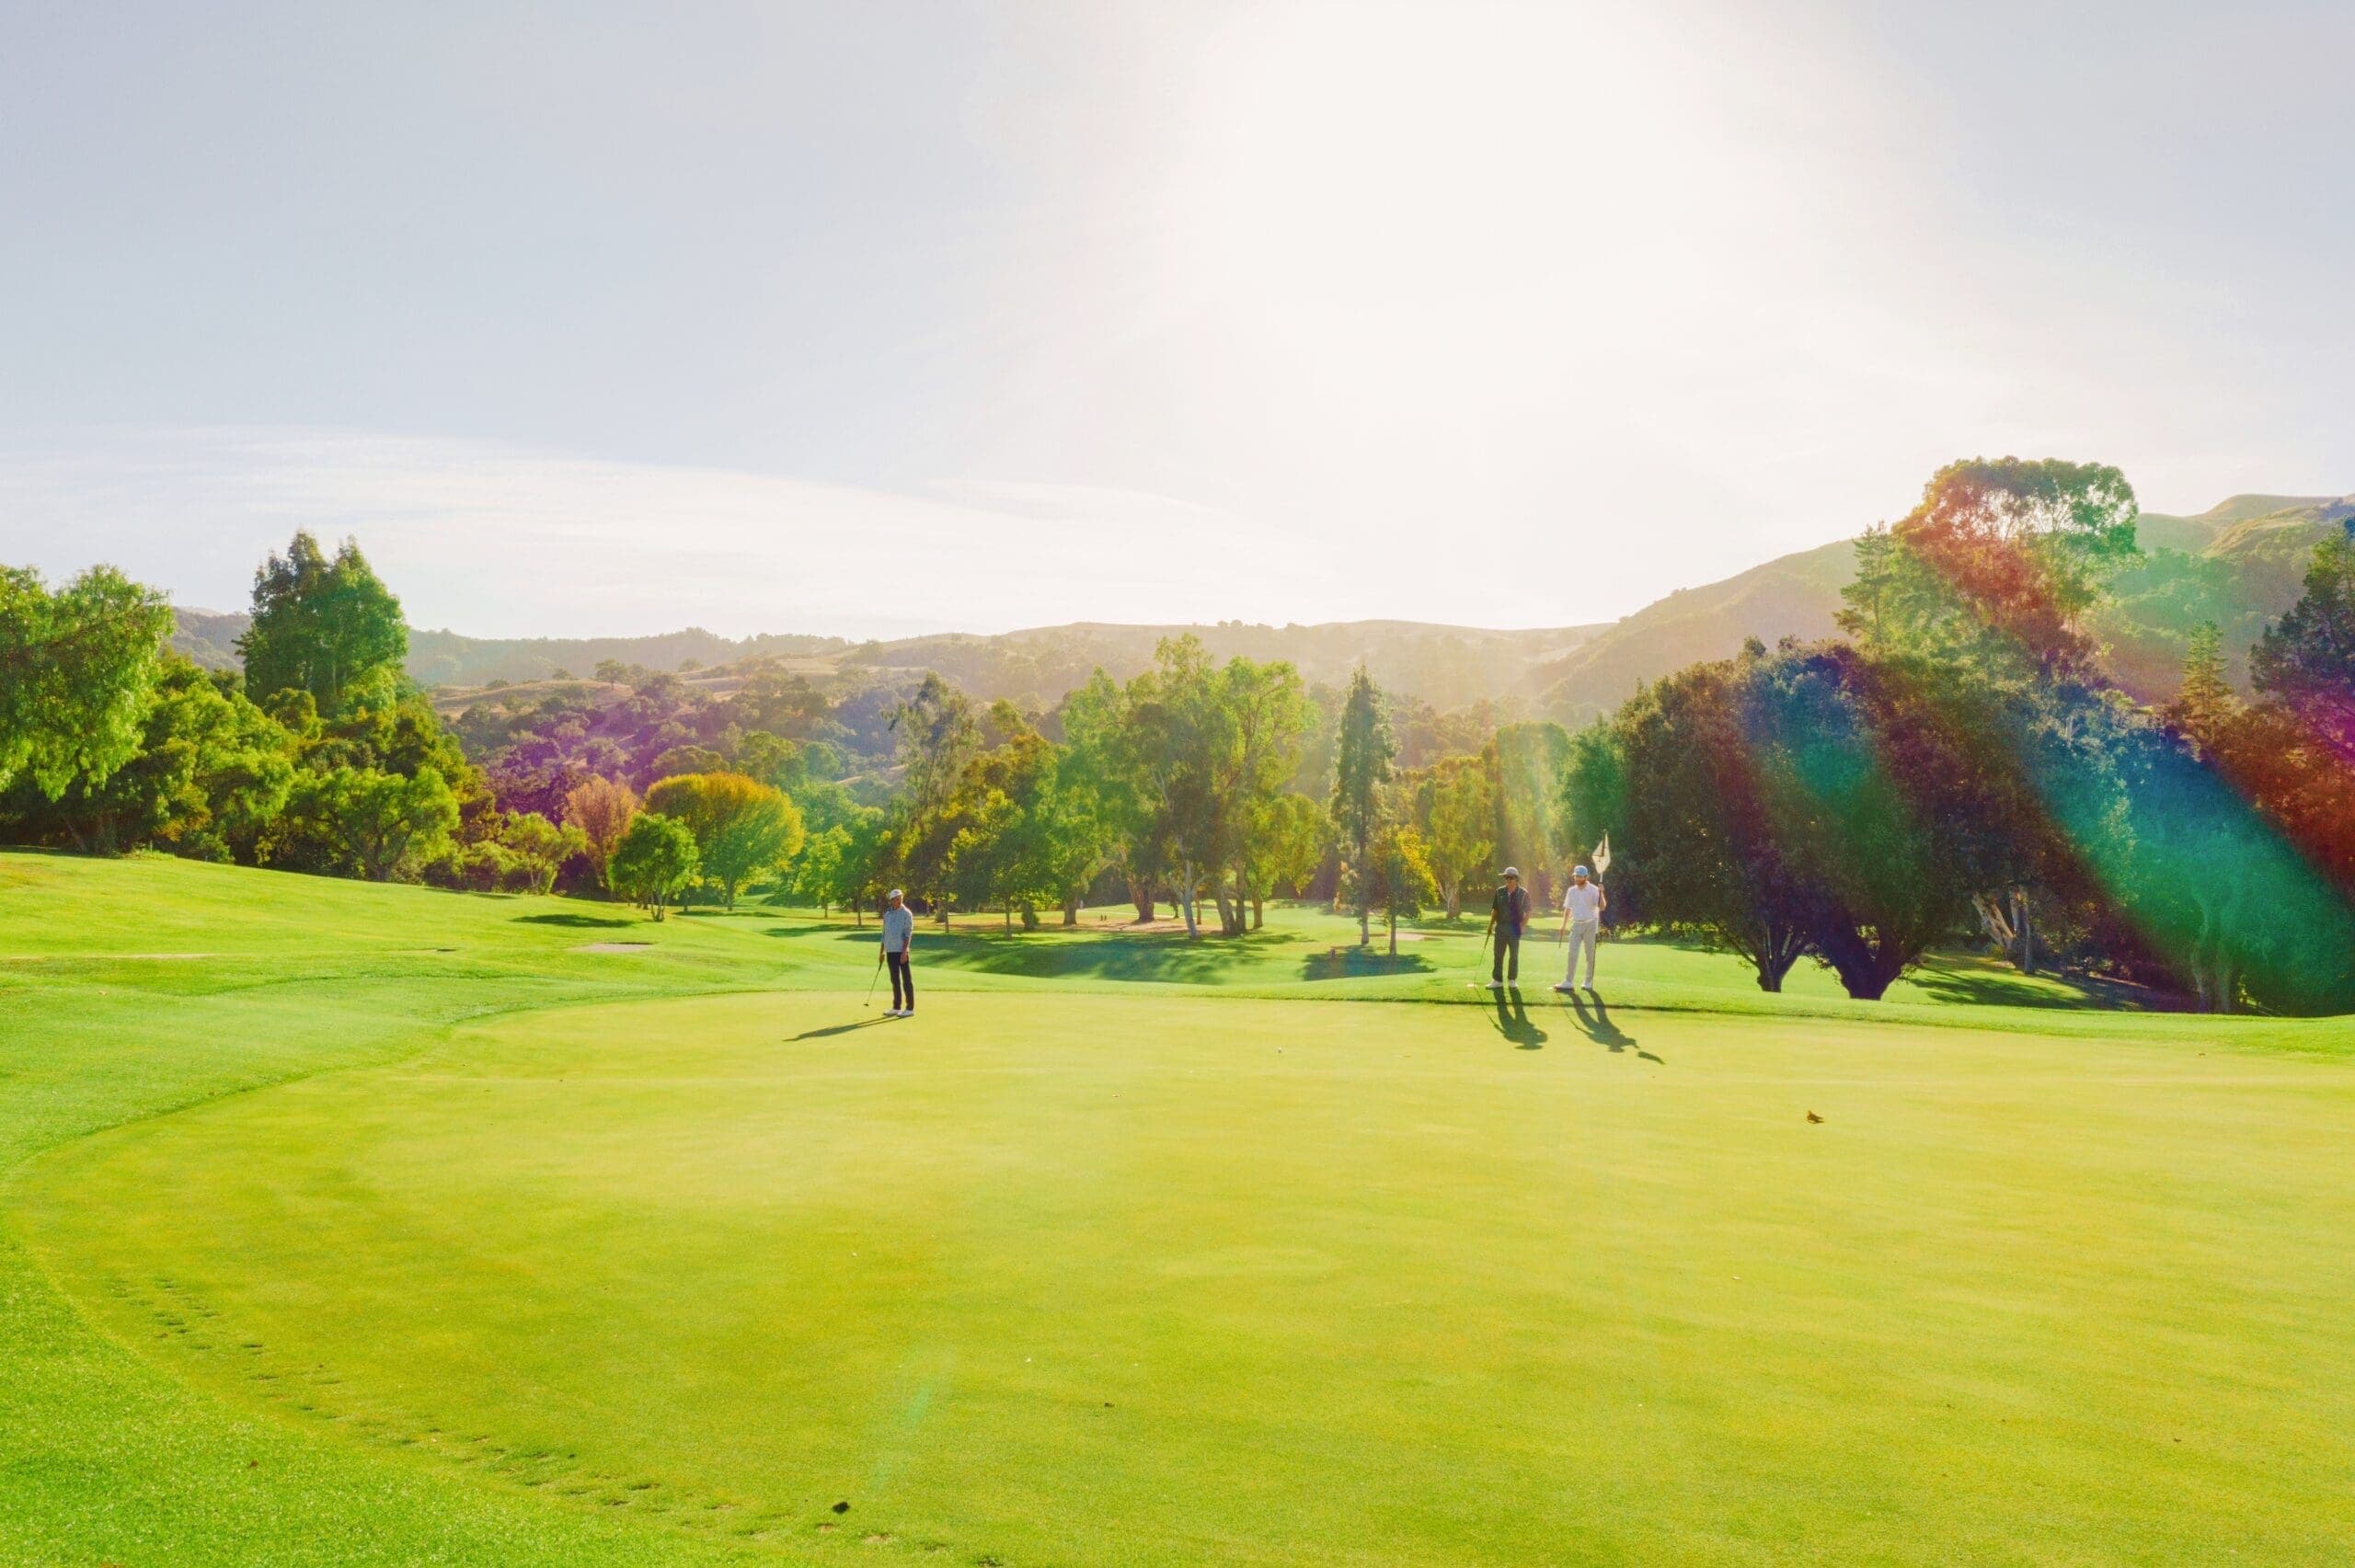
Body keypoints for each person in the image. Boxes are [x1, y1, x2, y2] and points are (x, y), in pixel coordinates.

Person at [1555, 863, 1608, 990]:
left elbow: (1602, 907)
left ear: (1586, 877)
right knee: (1572, 953)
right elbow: (1567, 909)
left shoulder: (1595, 889)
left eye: (1579, 876)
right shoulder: (1571, 891)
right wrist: (1563, 925)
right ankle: (1568, 981)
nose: (1577, 878)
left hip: (1591, 924)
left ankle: (1588, 982)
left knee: (1590, 955)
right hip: (1576, 925)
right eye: (1575, 876)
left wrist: (1602, 893)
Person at [1483, 866, 1529, 988]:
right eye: (1506, 877)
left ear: (1516, 879)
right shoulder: (1499, 891)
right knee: (1498, 955)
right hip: (1501, 927)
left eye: (1511, 878)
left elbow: (1528, 911)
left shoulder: (1523, 893)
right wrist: (1490, 925)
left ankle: (1512, 980)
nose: (1508, 880)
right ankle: (1497, 980)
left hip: (1514, 928)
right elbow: (1495, 909)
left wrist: (1522, 925)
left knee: (1513, 955)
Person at [880, 887, 915, 1016]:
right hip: (890, 951)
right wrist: (882, 952)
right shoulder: (887, 915)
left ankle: (910, 1008)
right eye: (895, 899)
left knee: (907, 980)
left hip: (901, 951)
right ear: (891, 901)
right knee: (895, 980)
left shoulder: (907, 913)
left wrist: (904, 951)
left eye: (900, 897)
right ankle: (896, 1006)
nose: (898, 900)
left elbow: (908, 933)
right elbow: (884, 934)